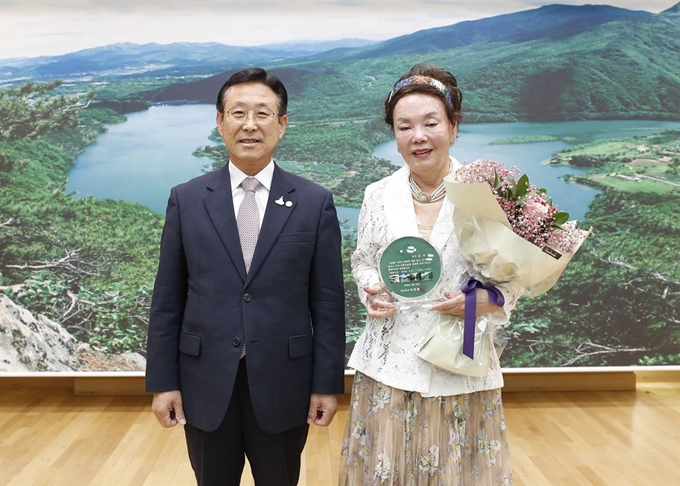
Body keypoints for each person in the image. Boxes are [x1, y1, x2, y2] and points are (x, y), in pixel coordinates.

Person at [145, 67, 346, 486]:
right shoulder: (186, 199)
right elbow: (167, 300)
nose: (249, 125)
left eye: (262, 113)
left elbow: (327, 303)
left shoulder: (314, 202)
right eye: (238, 113)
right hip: (205, 383)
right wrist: (163, 383)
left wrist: (327, 384)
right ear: (220, 122)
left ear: (282, 124)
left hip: (283, 384)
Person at [339, 63, 519, 485]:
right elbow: (363, 259)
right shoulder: (377, 194)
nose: (417, 136)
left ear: (453, 127)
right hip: (388, 365)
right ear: (395, 135)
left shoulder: (486, 192)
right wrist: (371, 289)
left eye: (430, 123)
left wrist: (484, 299)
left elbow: (516, 277)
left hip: (461, 360)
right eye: (404, 127)